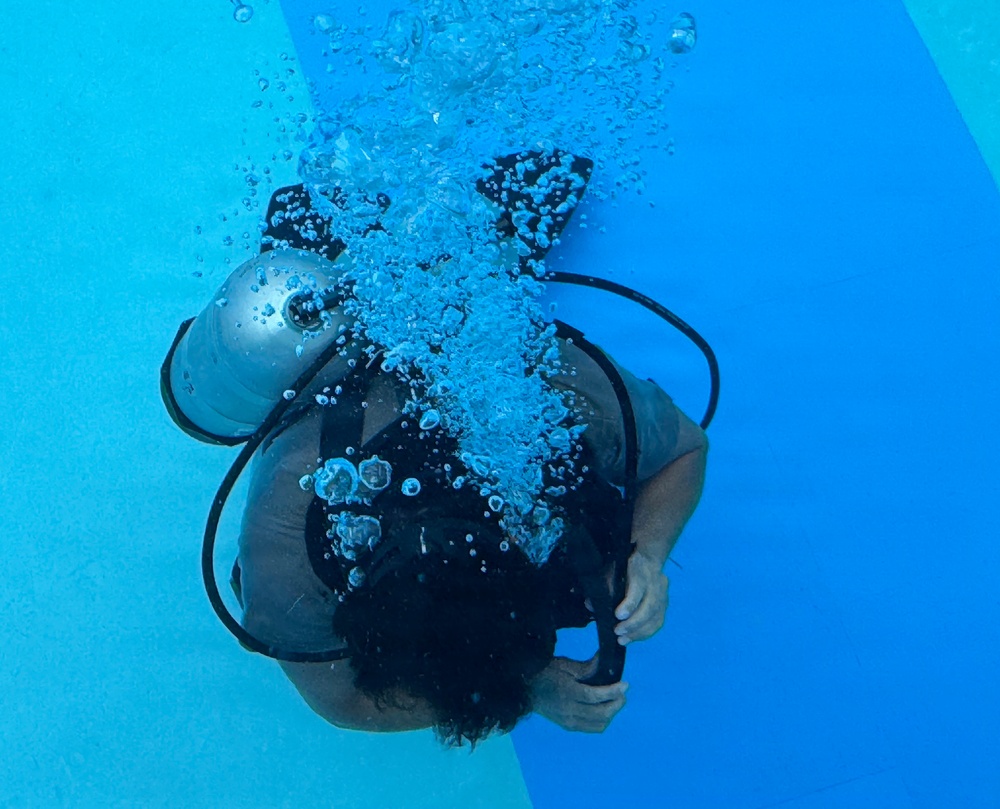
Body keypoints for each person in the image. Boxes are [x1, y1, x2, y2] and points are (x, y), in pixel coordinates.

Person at [164, 150, 709, 745]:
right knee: (303, 285)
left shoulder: (539, 393)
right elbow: (344, 701)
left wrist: (645, 555)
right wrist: (531, 686)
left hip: (452, 331)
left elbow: (683, 449)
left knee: (498, 229)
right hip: (347, 378)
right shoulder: (284, 555)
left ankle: (382, 240)